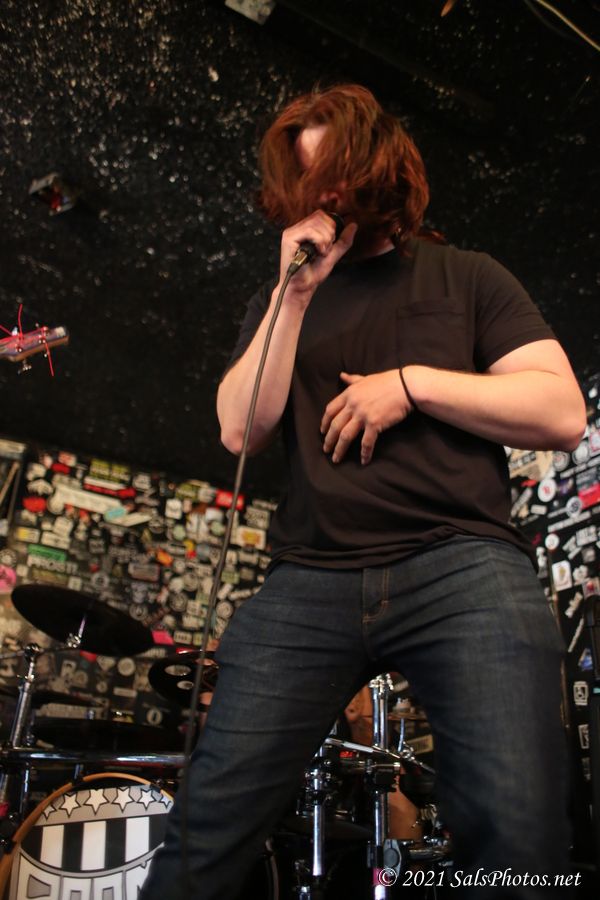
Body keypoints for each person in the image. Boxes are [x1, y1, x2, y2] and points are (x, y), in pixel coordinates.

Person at [140, 83, 586, 899]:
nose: (327, 195)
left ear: (379, 165)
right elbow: (240, 430)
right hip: (310, 576)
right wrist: (293, 294)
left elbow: (559, 411)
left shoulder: (466, 276)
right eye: (310, 180)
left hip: (463, 566)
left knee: (516, 826)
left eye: (338, 173)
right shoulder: (279, 302)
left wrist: (411, 385)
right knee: (208, 821)